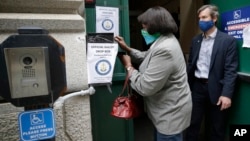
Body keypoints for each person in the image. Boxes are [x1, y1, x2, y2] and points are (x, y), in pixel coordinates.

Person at [114, 6, 192, 141]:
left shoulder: (165, 49)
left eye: (144, 27)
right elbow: (148, 56)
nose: (143, 30)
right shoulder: (165, 39)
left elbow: (145, 87)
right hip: (165, 111)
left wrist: (129, 67)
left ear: (155, 26)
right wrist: (127, 49)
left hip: (170, 115)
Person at [185, 4, 238, 141]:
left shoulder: (227, 41)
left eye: (204, 17)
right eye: (199, 18)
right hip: (197, 87)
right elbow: (191, 64)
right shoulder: (196, 40)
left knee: (217, 127)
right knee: (192, 124)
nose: (201, 21)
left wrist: (226, 94)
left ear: (214, 18)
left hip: (218, 89)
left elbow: (230, 70)